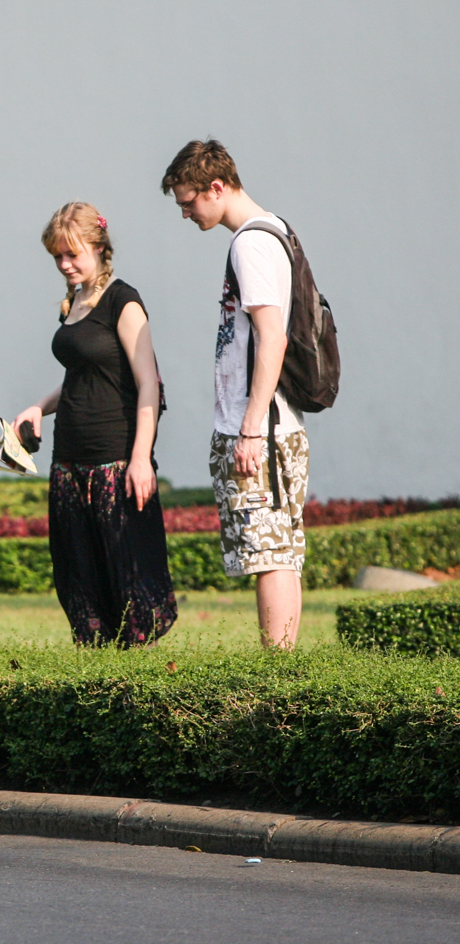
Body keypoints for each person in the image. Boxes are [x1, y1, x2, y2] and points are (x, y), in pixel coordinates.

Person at [161, 138, 308, 650]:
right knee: (279, 552)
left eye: (188, 201)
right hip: (272, 425)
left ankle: (276, 672)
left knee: (268, 555)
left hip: (259, 430)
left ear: (216, 187)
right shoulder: (276, 229)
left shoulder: (251, 243)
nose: (185, 214)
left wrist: (249, 429)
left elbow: (273, 338)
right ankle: (282, 669)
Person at [12, 203, 176, 646]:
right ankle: (96, 670)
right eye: (57, 257)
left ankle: (134, 682)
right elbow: (83, 380)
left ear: (100, 248)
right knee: (79, 575)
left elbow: (148, 385)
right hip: (68, 459)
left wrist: (140, 458)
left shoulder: (123, 301)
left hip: (115, 460)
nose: (64, 265)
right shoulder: (74, 303)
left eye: (72, 255)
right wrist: (38, 407)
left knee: (128, 580)